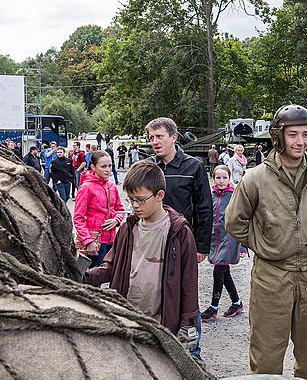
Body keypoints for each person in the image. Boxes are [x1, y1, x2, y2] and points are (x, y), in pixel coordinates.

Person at [226, 105, 307, 380]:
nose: (300, 142)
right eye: (293, 135)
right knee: (266, 359)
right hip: (272, 276)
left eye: (305, 134)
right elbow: (234, 221)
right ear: (278, 137)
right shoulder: (255, 178)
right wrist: (263, 243)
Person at [84, 162, 199, 337]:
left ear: (160, 195)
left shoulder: (179, 232)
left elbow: (189, 281)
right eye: (130, 199)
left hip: (163, 322)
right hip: (128, 317)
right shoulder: (127, 228)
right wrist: (85, 275)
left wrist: (188, 323)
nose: (135, 205)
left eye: (140, 199)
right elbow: (112, 266)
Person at [146, 117, 212, 356]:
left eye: (159, 136)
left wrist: (202, 246)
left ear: (174, 137)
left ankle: (193, 351)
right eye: (151, 137)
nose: (155, 142)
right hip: (153, 244)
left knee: (187, 298)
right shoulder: (149, 169)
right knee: (157, 294)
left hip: (184, 244)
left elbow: (204, 207)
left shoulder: (193, 167)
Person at [201, 164, 243, 322]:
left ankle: (213, 307)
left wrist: (243, 244)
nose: (221, 180)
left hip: (229, 238)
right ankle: (237, 303)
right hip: (215, 238)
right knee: (224, 272)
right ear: (213, 178)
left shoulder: (234, 196)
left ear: (229, 178)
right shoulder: (210, 196)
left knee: (218, 270)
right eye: (218, 177)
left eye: (224, 177)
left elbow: (242, 218)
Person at [73, 150, 125, 268]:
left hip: (110, 241)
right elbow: (78, 218)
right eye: (103, 166)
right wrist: (88, 240)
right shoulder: (86, 188)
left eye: (110, 166)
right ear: (93, 167)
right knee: (92, 279)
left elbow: (120, 209)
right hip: (94, 241)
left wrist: (116, 220)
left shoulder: (112, 186)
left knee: (107, 274)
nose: (108, 169)